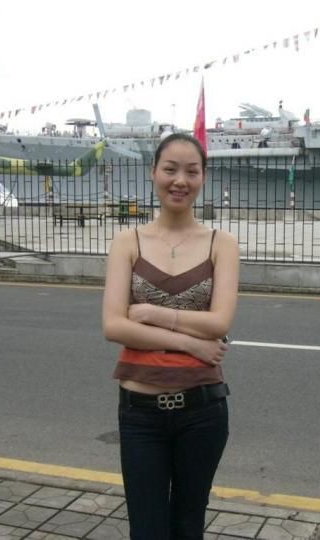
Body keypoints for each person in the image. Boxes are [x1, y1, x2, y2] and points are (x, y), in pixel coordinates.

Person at [102, 133, 240, 539]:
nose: (180, 180)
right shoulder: (128, 242)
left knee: (187, 526)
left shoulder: (221, 244)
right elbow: (114, 326)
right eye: (170, 169)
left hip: (203, 412)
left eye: (191, 171)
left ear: (203, 177)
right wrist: (192, 342)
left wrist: (153, 315)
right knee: (146, 529)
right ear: (154, 172)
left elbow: (220, 323)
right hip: (140, 413)